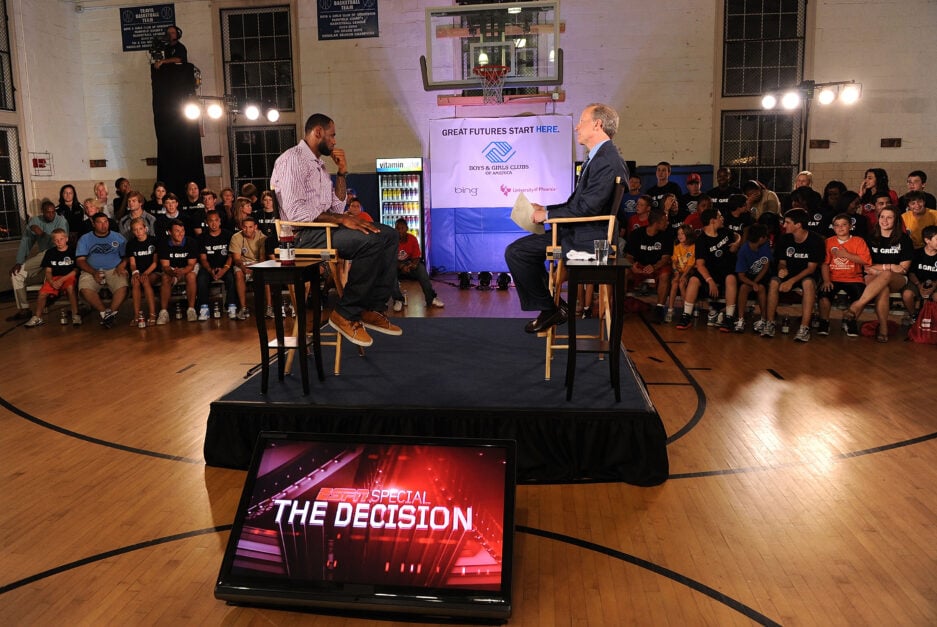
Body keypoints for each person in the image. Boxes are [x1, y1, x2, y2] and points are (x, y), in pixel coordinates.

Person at [271, 113, 401, 347]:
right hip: (301, 236)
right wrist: (342, 220)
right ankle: (346, 312)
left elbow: (337, 205)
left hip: (324, 229)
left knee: (389, 236)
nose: (334, 141)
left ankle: (371, 309)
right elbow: (297, 214)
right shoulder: (291, 160)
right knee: (369, 242)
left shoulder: (319, 166)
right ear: (317, 132)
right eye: (332, 135)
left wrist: (341, 173)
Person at [504, 103, 629, 334]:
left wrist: (548, 215)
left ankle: (551, 308)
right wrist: (546, 209)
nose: (577, 128)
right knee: (519, 251)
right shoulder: (600, 156)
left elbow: (588, 208)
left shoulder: (606, 160)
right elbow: (578, 204)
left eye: (581, 121)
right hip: (580, 233)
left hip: (588, 243)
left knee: (517, 252)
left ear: (597, 124)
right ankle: (552, 307)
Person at [844, 206, 913, 342]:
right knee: (883, 289)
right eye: (882, 217)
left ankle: (857, 305)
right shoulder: (870, 238)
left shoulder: (904, 240)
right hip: (872, 276)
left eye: (889, 217)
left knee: (886, 275)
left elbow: (903, 269)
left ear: (896, 220)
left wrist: (881, 269)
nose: (885, 220)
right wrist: (890, 266)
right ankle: (883, 328)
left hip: (897, 279)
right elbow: (866, 264)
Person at [761, 209, 827, 342]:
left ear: (798, 225)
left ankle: (804, 327)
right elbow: (782, 262)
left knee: (808, 284)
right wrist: (782, 269)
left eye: (787, 222)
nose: (784, 225)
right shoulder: (785, 239)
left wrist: (791, 281)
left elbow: (811, 268)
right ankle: (770, 323)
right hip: (789, 274)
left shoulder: (816, 240)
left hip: (806, 274)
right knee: (774, 282)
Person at [674, 208, 741, 331]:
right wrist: (710, 281)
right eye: (719, 216)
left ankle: (729, 318)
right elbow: (700, 265)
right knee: (694, 280)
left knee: (731, 278)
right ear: (712, 221)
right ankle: (686, 315)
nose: (722, 218)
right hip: (708, 272)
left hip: (725, 270)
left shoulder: (725, 232)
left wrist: (737, 243)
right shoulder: (701, 240)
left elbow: (737, 235)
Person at [8, 200, 69, 321]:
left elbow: (60, 242)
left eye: (53, 212)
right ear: (42, 212)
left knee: (50, 275)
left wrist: (43, 233)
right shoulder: (35, 221)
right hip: (43, 255)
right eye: (48, 212)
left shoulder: (61, 220)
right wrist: (19, 261)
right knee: (17, 274)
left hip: (58, 254)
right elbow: (26, 242)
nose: (51, 215)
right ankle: (24, 309)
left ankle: (49, 299)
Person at [817, 214, 872, 336]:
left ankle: (850, 321)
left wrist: (846, 255)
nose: (840, 228)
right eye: (837, 225)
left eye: (844, 225)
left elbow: (866, 261)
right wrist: (826, 280)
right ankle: (824, 321)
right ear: (833, 227)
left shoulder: (858, 241)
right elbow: (825, 264)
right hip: (833, 278)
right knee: (824, 296)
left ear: (850, 226)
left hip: (854, 278)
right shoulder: (829, 241)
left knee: (861, 297)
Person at [75, 212, 129, 327]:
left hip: (114, 268)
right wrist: (93, 272)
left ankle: (111, 314)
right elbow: (80, 260)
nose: (103, 225)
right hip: (91, 270)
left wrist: (122, 265)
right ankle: (104, 313)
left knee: (123, 287)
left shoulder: (118, 237)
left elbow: (127, 256)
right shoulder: (85, 238)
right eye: (99, 223)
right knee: (85, 288)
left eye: (106, 222)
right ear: (93, 224)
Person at [23, 228, 81, 328]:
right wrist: (51, 281)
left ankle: (75, 315)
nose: (59, 242)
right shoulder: (50, 253)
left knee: (70, 288)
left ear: (66, 239)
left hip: (68, 277)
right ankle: (37, 317)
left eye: (61, 239)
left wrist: (61, 280)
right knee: (42, 293)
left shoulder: (73, 251)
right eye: (56, 240)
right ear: (53, 241)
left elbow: (76, 270)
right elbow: (48, 271)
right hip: (54, 278)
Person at [625, 210, 673, 322]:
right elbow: (628, 256)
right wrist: (632, 266)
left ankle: (660, 309)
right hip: (639, 267)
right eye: (665, 221)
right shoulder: (636, 234)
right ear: (657, 223)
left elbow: (666, 258)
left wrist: (654, 267)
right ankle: (620, 304)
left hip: (657, 266)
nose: (668, 223)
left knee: (666, 273)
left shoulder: (667, 235)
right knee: (625, 272)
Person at [391, 218, 444, 312]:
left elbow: (416, 256)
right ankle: (398, 299)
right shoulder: (392, 241)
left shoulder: (412, 239)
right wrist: (401, 266)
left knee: (421, 269)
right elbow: (390, 259)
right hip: (396, 266)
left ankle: (431, 298)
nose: (400, 231)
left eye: (402, 228)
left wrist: (412, 264)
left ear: (406, 228)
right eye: (397, 228)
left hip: (409, 264)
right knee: (389, 271)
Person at [156, 220, 201, 323]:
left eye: (182, 231)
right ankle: (163, 312)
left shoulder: (191, 242)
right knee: (165, 277)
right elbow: (165, 266)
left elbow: (191, 265)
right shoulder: (163, 244)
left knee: (191, 276)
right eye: (177, 231)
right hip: (172, 268)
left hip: (187, 267)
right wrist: (174, 273)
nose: (181, 234)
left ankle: (191, 310)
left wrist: (182, 271)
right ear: (170, 232)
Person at [733, 224, 773, 333]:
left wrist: (755, 282)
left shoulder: (765, 246)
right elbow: (741, 276)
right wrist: (752, 283)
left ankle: (763, 319)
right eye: (765, 236)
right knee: (743, 288)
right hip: (747, 277)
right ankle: (740, 319)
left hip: (761, 276)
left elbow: (765, 267)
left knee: (761, 288)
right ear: (761, 238)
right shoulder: (743, 250)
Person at [198, 210, 237, 320]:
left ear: (220, 221)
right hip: (208, 267)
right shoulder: (202, 237)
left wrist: (224, 269)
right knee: (201, 279)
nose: (214, 224)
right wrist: (210, 270)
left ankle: (231, 306)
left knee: (231, 277)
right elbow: (203, 258)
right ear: (206, 222)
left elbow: (231, 256)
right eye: (211, 221)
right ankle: (204, 308)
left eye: (216, 220)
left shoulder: (228, 235)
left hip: (225, 266)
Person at [228, 214, 267, 320]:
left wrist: (256, 268)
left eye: (250, 227)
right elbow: (236, 259)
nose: (247, 229)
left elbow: (262, 258)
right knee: (238, 274)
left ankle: (268, 307)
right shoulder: (236, 237)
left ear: (255, 227)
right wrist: (244, 268)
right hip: (242, 263)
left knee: (266, 274)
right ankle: (243, 308)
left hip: (258, 263)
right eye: (245, 227)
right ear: (241, 226)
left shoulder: (262, 237)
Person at [125, 216, 160, 327]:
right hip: (139, 272)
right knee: (135, 282)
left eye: (140, 228)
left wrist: (145, 273)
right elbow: (132, 263)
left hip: (153, 272)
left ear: (145, 228)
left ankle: (153, 314)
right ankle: (137, 315)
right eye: (135, 230)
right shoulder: (131, 244)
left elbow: (155, 263)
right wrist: (135, 273)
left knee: (145, 281)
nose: (138, 232)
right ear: (132, 231)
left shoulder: (154, 241)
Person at [902, 225, 937, 321]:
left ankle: (932, 321)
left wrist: (934, 285)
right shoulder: (917, 253)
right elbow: (911, 273)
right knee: (907, 294)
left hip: (935, 283)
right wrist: (919, 286)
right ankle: (914, 316)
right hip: (917, 282)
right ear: (927, 240)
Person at [666, 224, 696, 322]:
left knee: (681, 283)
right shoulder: (677, 246)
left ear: (688, 234)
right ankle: (670, 310)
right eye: (678, 234)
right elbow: (674, 262)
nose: (680, 236)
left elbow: (690, 265)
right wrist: (676, 273)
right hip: (678, 271)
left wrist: (683, 276)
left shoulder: (693, 247)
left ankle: (686, 310)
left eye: (682, 233)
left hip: (688, 272)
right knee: (674, 283)